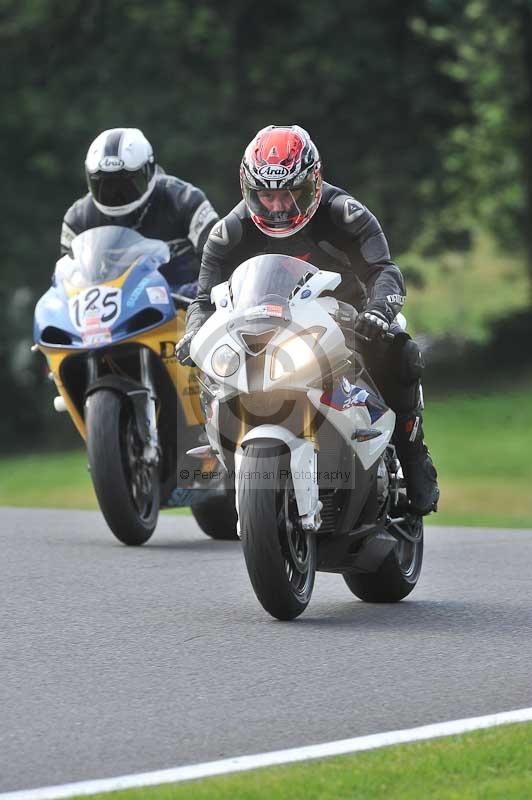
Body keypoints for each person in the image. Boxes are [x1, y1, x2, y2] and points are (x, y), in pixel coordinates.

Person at [176, 125, 439, 515]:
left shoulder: (346, 214)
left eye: (289, 194)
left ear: (313, 183)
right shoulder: (228, 233)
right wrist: (194, 332)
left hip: (347, 319)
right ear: (248, 189)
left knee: (401, 349)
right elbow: (203, 299)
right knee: (205, 360)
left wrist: (378, 311)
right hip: (260, 326)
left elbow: (385, 271)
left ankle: (414, 455)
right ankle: (221, 448)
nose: (278, 206)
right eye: (266, 195)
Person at [59, 127, 219, 295]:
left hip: (183, 307)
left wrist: (195, 292)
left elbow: (220, 259)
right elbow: (67, 283)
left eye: (125, 185)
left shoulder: (185, 200)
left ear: (149, 171)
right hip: (111, 312)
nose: (115, 195)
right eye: (104, 185)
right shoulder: (78, 218)